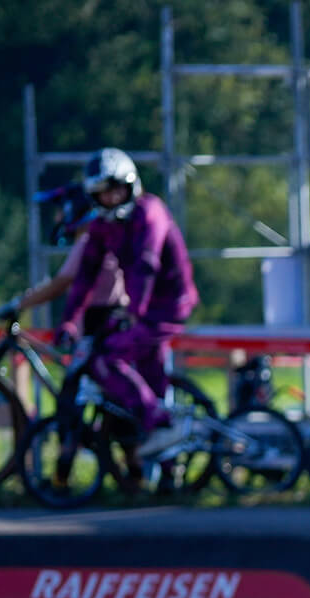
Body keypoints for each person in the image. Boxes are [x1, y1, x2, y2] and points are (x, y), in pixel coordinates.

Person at [57, 148, 199, 462]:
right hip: (143, 310)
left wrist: (134, 313)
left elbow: (145, 265)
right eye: (103, 193)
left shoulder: (150, 212)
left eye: (117, 189)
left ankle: (162, 425)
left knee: (106, 359)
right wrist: (69, 321)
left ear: (131, 185)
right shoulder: (103, 226)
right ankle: (165, 459)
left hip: (166, 307)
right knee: (145, 371)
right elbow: (85, 278)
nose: (111, 198)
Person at [0, 181, 126, 337]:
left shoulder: (87, 242)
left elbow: (59, 284)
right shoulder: (95, 239)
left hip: (104, 326)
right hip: (105, 323)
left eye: (61, 211)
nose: (58, 218)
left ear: (73, 209)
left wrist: (17, 304)